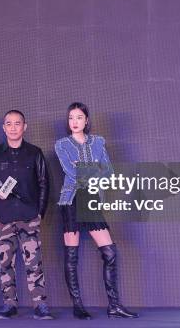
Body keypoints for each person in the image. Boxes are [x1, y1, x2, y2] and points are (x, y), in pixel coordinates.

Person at [54, 102, 139, 319]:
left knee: (110, 252)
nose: (74, 122)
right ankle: (78, 305)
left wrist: (88, 169)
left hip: (91, 200)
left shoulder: (99, 142)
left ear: (87, 120)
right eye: (71, 118)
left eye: (79, 117)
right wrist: (94, 168)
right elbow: (71, 172)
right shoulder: (61, 144)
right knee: (72, 256)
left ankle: (114, 305)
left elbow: (109, 172)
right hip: (71, 200)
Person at [0, 110, 53, 320]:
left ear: (25, 126)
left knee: (34, 262)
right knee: (5, 263)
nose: (13, 127)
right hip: (2, 217)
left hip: (29, 216)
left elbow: (43, 183)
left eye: (17, 123)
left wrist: (39, 212)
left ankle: (40, 305)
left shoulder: (35, 153)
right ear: (4, 128)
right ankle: (9, 304)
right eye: (9, 124)